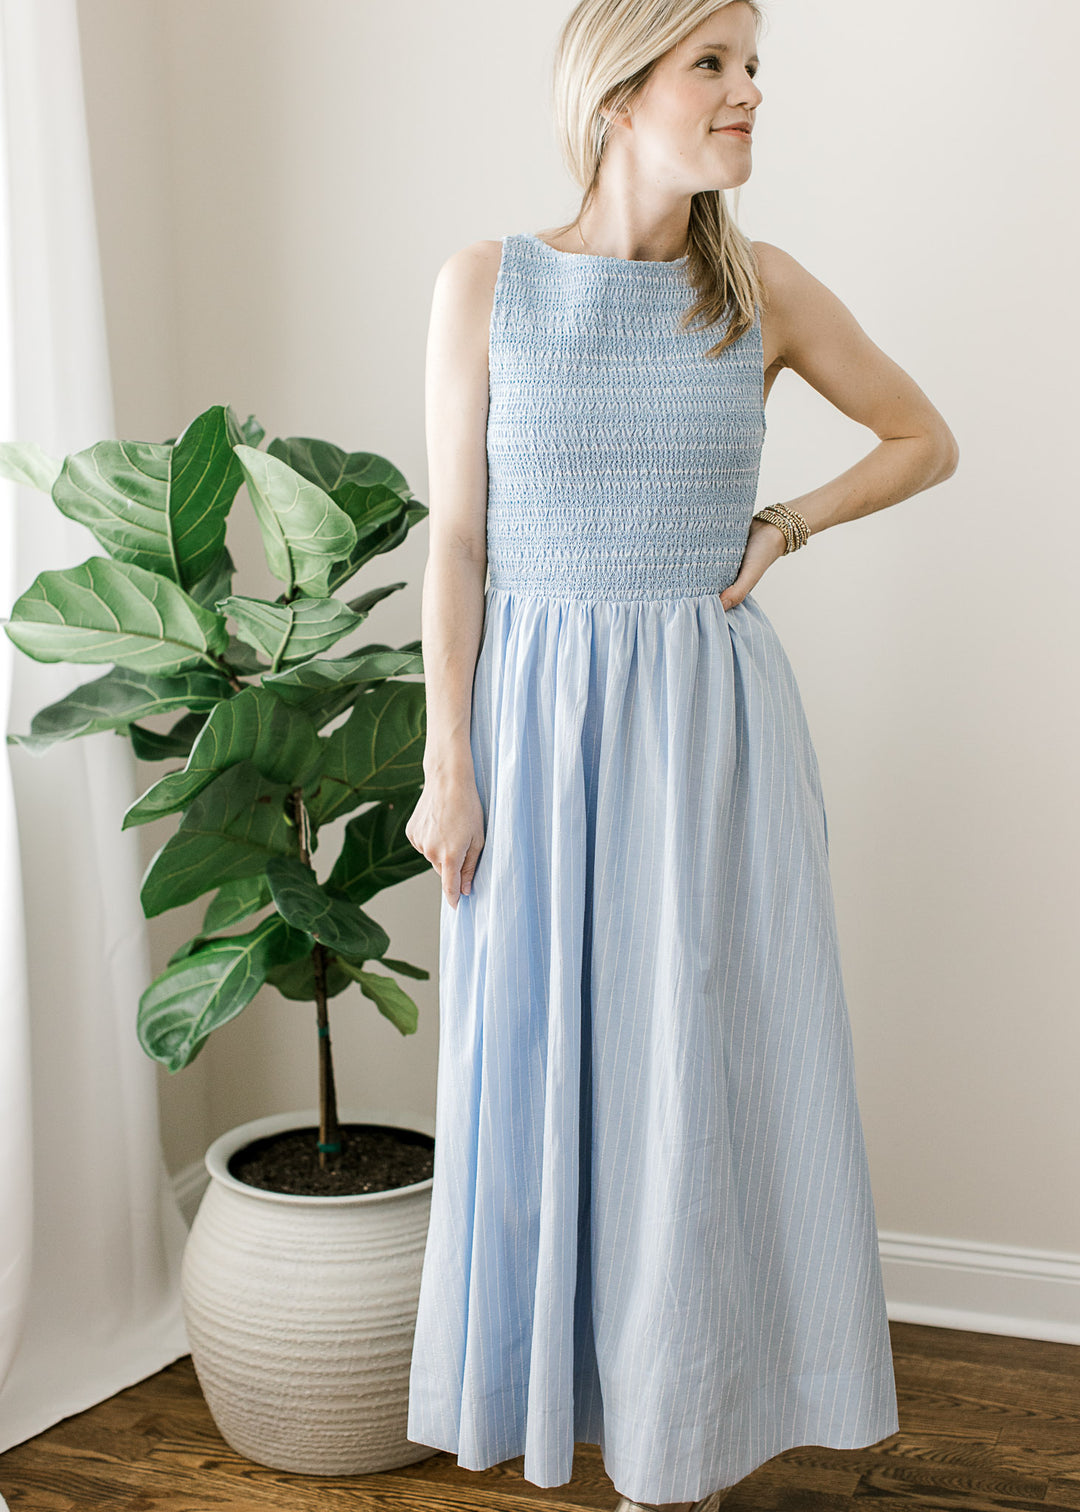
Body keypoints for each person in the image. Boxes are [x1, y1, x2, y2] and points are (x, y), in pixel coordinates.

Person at [404, 1, 959, 1509]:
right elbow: (457, 539)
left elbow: (922, 437)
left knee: (701, 1078)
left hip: (708, 739)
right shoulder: (488, 285)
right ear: (617, 89)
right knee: (545, 1067)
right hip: (530, 729)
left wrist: (785, 525)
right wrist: (447, 763)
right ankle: (576, 1404)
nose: (751, 93)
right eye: (714, 62)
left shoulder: (763, 292)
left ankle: (685, 1449)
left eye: (755, 63)